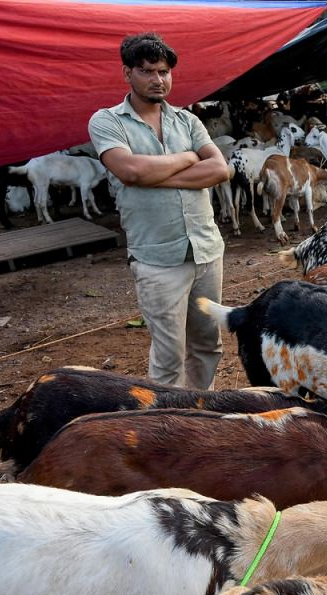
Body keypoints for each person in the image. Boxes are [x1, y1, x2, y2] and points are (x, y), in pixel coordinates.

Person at [88, 33, 229, 388]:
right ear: (127, 73)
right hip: (157, 259)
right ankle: (169, 428)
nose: (158, 79)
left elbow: (219, 170)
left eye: (164, 71)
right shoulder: (108, 121)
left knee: (208, 346)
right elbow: (130, 171)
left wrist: (155, 174)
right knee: (168, 356)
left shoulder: (187, 121)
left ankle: (204, 415)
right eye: (148, 71)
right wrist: (186, 159)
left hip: (206, 251)